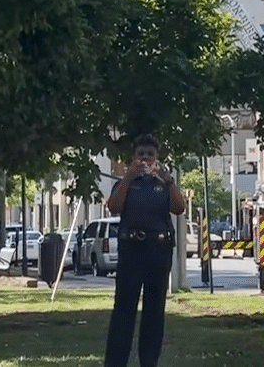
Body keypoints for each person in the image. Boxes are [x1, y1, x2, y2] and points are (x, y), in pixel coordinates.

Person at [102, 133, 186, 367]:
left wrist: (169, 181)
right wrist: (128, 178)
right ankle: (115, 362)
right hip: (131, 250)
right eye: (141, 155)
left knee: (154, 310)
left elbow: (179, 208)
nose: (145, 159)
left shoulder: (163, 184)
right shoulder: (125, 184)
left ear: (157, 158)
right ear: (133, 158)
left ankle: (149, 361)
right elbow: (113, 207)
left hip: (158, 250)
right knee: (123, 309)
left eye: (150, 155)